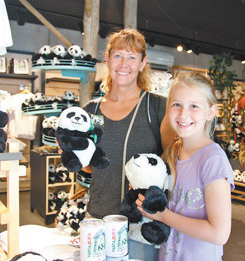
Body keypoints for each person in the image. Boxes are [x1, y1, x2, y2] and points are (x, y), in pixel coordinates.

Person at [82, 28, 173, 260]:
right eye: (118, 56)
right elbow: (90, 168)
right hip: (97, 218)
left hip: (141, 224)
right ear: (108, 60)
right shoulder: (89, 111)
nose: (124, 64)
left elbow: (172, 166)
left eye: (132, 57)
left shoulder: (157, 108)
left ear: (143, 63)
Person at [136, 72, 235, 260]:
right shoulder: (173, 152)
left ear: (211, 112)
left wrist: (162, 216)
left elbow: (219, 234)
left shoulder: (213, 159)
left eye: (194, 106)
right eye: (177, 105)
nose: (183, 114)